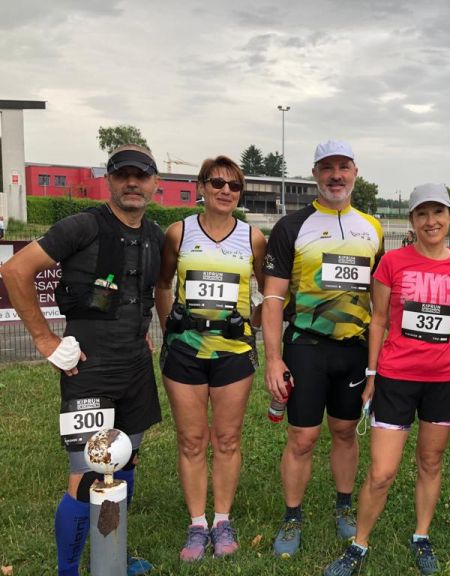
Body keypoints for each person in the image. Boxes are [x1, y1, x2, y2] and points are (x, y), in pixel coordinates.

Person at [0, 144, 164, 576]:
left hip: (134, 366)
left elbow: (143, 293)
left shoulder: (154, 236)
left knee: (125, 462)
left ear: (154, 183)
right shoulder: (82, 226)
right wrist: (43, 338)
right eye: (123, 174)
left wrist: (142, 333)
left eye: (141, 175)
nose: (132, 182)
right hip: (87, 368)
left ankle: (113, 554)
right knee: (87, 476)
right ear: (109, 180)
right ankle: (69, 571)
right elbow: (15, 270)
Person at [323, 183, 450, 576]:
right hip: (396, 376)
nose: (431, 221)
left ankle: (421, 536)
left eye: (438, 212)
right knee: (382, 472)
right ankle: (358, 544)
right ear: (412, 221)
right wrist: (373, 373)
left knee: (430, 462)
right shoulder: (393, 262)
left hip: (444, 378)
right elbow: (378, 320)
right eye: (422, 214)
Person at [262, 140, 384, 557]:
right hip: (306, 348)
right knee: (302, 436)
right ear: (315, 174)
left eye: (343, 167)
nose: (336, 175)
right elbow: (274, 299)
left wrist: (376, 362)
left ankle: (344, 507)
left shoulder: (373, 227)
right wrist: (274, 359)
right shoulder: (291, 226)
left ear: (355, 172)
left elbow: (380, 300)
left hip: (354, 349)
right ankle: (292, 515)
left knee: (346, 431)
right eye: (327, 167)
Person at [155, 156, 266, 561]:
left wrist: (250, 324)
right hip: (185, 353)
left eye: (234, 186)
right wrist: (170, 329)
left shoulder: (253, 238)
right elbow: (163, 284)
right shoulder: (178, 233)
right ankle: (196, 524)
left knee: (227, 438)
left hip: (233, 354)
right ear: (200, 186)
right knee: (190, 440)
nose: (225, 191)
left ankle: (222, 519)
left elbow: (272, 294)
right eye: (216, 183)